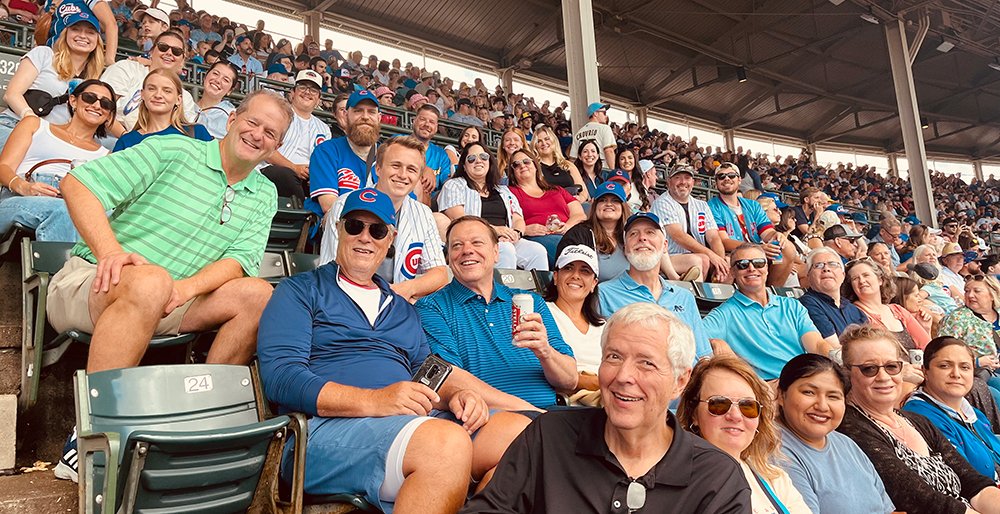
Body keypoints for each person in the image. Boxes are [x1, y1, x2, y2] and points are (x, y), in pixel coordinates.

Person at [49, 90, 293, 483]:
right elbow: (78, 183)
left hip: (169, 298)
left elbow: (239, 262)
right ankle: (89, 434)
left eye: (270, 132)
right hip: (95, 281)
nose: (257, 134)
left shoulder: (264, 193)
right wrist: (110, 251)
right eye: (252, 122)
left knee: (261, 295)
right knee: (150, 280)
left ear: (276, 146)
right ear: (231, 121)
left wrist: (182, 290)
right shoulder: (175, 151)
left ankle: (204, 419)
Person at [258, 187, 529, 512]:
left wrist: (456, 397)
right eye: (355, 226)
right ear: (338, 229)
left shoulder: (400, 308)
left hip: (410, 421)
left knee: (523, 435)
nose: (365, 237)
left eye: (378, 230)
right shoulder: (300, 290)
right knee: (445, 444)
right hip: (321, 431)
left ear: (391, 239)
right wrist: (375, 400)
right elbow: (282, 379)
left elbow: (425, 375)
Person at [461, 303, 751, 513]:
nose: (623, 376)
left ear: (679, 381)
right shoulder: (548, 436)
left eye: (646, 363)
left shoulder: (717, 477)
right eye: (613, 357)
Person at [416, 216, 576, 410]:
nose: (467, 250)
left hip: (553, 412)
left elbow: (569, 381)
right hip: (494, 419)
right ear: (448, 258)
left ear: (496, 252)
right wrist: (533, 413)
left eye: (477, 242)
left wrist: (545, 352)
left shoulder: (531, 301)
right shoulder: (432, 307)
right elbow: (451, 379)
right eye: (457, 245)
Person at [836, 325, 1000, 514]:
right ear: (848, 373)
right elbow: (922, 501)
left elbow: (974, 483)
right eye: (869, 369)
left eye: (891, 367)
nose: (883, 377)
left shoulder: (918, 421)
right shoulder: (852, 428)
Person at [677, 354, 812, 513]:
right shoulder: (673, 478)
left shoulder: (774, 479)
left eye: (747, 406)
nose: (735, 416)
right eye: (719, 404)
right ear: (694, 413)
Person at [319, 136, 447, 302]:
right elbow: (331, 268)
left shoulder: (423, 213)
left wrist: (407, 289)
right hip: (345, 299)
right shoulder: (346, 204)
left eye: (411, 169)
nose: (402, 175)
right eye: (396, 165)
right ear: (378, 169)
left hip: (397, 303)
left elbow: (439, 273)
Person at [776, 353, 895, 514]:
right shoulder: (776, 452)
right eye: (809, 392)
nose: (822, 406)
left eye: (833, 396)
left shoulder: (846, 444)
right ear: (782, 395)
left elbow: (886, 508)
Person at [0, 79, 113, 242]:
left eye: (105, 104)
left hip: (74, 201)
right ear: (73, 100)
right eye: (89, 98)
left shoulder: (105, 155)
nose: (96, 105)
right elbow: (3, 167)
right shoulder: (35, 125)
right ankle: (62, 268)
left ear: (109, 114)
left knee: (111, 219)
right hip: (21, 197)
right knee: (66, 212)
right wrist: (25, 187)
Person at [598, 212, 714, 360]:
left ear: (665, 245)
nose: (642, 238)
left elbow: (704, 356)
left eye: (650, 232)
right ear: (625, 248)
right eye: (633, 234)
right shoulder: (604, 294)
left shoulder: (685, 297)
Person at [703, 244, 825, 380]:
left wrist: (836, 357)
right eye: (742, 264)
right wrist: (715, 342)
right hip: (766, 387)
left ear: (767, 268)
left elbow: (816, 344)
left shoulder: (792, 305)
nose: (751, 268)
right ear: (732, 272)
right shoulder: (724, 314)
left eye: (758, 263)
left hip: (802, 378)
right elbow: (693, 338)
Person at [0, 6, 104, 145]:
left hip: (52, 139)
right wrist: (31, 121)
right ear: (65, 33)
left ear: (97, 40)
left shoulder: (94, 79)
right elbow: (12, 94)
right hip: (15, 124)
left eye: (90, 32)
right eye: (75, 29)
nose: (83, 36)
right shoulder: (44, 54)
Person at [435, 143, 548, 271]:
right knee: (505, 249)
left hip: (506, 238)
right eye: (471, 159)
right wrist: (494, 230)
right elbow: (460, 219)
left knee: (537, 251)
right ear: (464, 166)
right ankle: (501, 291)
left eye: (483, 157)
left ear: (489, 162)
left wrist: (516, 233)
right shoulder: (454, 185)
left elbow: (518, 218)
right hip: (474, 240)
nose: (478, 161)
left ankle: (536, 292)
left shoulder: (503, 191)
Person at [903, 337, 1000, 479]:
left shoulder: (974, 415)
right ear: (925, 371)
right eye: (944, 366)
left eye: (965, 367)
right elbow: (966, 478)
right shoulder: (921, 416)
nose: (956, 374)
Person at [708, 162, 794, 285]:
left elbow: (767, 232)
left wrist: (775, 236)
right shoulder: (711, 206)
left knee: (788, 248)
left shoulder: (753, 205)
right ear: (716, 183)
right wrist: (757, 248)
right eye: (721, 176)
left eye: (731, 175)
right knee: (727, 263)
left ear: (739, 180)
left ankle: (772, 293)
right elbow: (724, 241)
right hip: (732, 253)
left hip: (758, 250)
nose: (726, 178)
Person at [101, 30, 198, 136]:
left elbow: (185, 132)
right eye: (163, 47)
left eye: (176, 51)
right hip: (110, 137)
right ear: (151, 51)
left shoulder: (185, 97)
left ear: (182, 60)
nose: (169, 53)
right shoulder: (127, 68)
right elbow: (102, 107)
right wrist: (127, 139)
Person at [543, 241, 604, 401]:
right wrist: (595, 382)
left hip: (606, 392)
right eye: (568, 268)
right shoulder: (542, 312)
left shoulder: (603, 326)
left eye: (585, 271)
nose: (576, 275)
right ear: (556, 277)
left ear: (594, 283)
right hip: (570, 401)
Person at [258, 70, 331, 202]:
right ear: (292, 92)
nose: (307, 92)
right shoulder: (277, 114)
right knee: (285, 175)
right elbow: (265, 150)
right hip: (273, 170)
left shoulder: (324, 129)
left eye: (313, 90)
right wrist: (294, 168)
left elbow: (323, 162)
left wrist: (316, 175)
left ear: (319, 99)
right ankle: (304, 216)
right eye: (302, 87)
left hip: (307, 178)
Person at [307, 89, 380, 220]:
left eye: (371, 112)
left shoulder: (387, 156)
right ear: (346, 115)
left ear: (379, 118)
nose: (365, 116)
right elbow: (329, 206)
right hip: (341, 225)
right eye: (358, 111)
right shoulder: (327, 151)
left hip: (381, 230)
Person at [506, 150, 585, 267]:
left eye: (526, 161)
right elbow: (504, 220)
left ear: (535, 165)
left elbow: (579, 214)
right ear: (512, 172)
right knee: (566, 251)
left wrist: (566, 227)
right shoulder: (509, 192)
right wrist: (525, 230)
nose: (522, 165)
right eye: (516, 164)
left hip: (569, 233)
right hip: (538, 238)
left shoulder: (557, 190)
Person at [650, 165, 729, 282]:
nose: (683, 182)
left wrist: (720, 261)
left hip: (698, 255)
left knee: (728, 262)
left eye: (687, 178)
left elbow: (714, 237)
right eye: (677, 177)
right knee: (700, 260)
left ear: (693, 182)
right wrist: (711, 255)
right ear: (669, 181)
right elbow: (678, 235)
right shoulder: (662, 202)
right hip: (667, 257)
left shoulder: (702, 205)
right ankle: (696, 298)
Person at [112, 69, 212, 152]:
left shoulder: (197, 132)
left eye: (167, 91)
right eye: (152, 89)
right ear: (142, 94)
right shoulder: (126, 141)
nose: (158, 95)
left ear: (178, 99)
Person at [844, 258, 930, 352]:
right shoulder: (854, 313)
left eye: (866, 275)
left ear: (880, 280)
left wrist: (926, 328)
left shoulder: (897, 310)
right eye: (855, 278)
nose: (862, 281)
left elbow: (927, 346)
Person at [559, 182, 636, 282]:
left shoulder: (631, 234)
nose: (608, 204)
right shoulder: (578, 235)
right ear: (595, 206)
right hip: (595, 295)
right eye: (603, 200)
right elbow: (567, 276)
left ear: (623, 207)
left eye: (615, 201)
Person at [938, 275, 1000, 395]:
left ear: (992, 294)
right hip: (980, 372)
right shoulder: (958, 318)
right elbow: (942, 351)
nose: (970, 295)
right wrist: (976, 362)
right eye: (967, 291)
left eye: (977, 291)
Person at [798, 247, 867, 351]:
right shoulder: (807, 304)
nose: (826, 269)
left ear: (843, 275)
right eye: (818, 265)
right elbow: (834, 348)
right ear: (809, 276)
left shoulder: (855, 310)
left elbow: (871, 342)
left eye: (833, 264)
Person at [532, 125, 587, 202]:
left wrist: (579, 200)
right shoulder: (533, 168)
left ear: (554, 141)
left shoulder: (568, 165)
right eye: (539, 141)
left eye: (547, 139)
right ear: (535, 146)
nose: (544, 143)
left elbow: (583, 191)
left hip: (572, 205)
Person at [412, 105, 453, 205]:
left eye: (432, 122)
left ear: (436, 128)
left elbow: (446, 181)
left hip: (431, 206)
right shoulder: (398, 141)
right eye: (422, 119)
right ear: (414, 121)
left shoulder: (441, 155)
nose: (426, 124)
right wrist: (424, 169)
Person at [193, 61, 238, 139]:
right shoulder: (186, 105)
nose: (218, 80)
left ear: (230, 91)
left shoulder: (230, 117)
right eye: (215, 74)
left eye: (226, 80)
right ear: (205, 76)